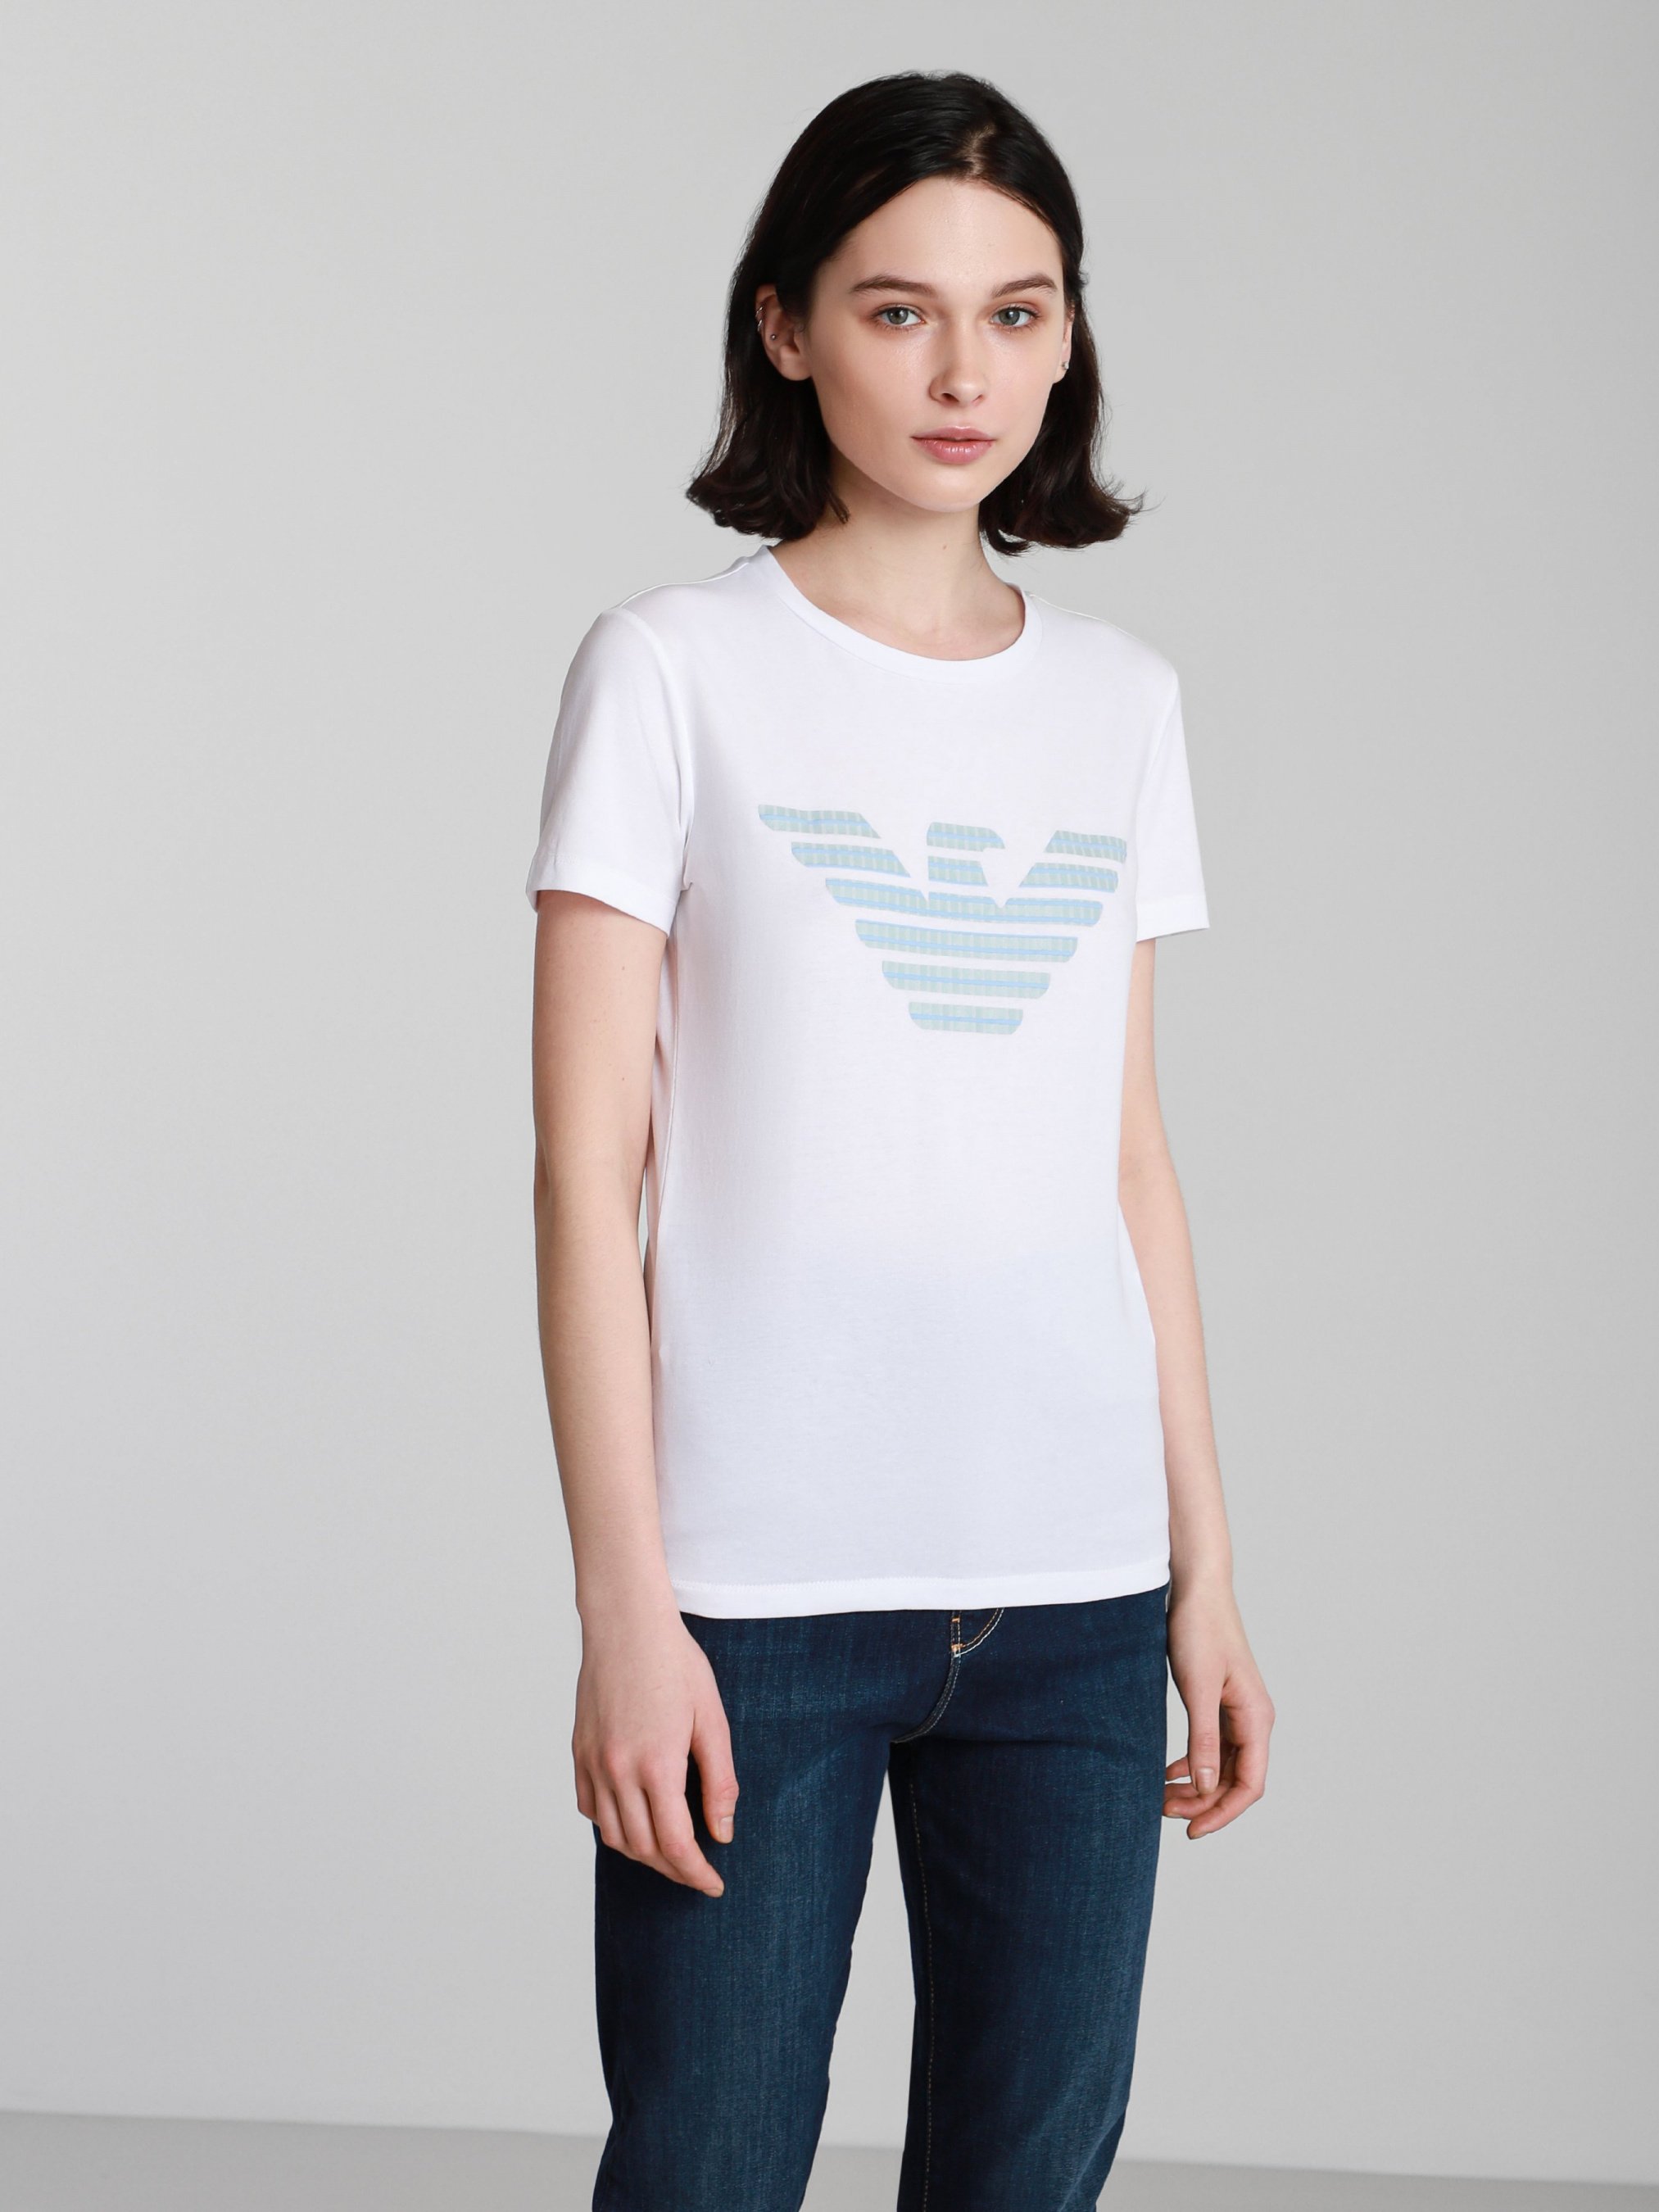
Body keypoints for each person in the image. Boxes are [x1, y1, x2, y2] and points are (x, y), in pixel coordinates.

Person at [526, 68, 1274, 2212]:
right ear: (783, 327)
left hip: (1073, 1591)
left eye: (1017, 313)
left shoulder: (1119, 701)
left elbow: (1126, 1160)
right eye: (897, 309)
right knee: (705, 2167)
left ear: (1067, 336)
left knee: (1027, 2182)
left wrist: (1205, 1573)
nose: (966, 374)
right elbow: (586, 1176)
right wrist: (626, 1608)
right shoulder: (670, 671)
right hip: (754, 1595)